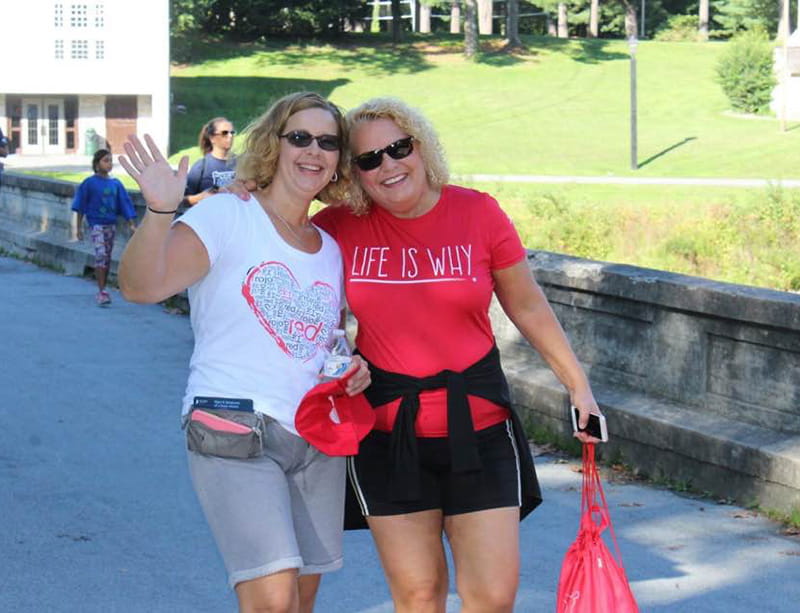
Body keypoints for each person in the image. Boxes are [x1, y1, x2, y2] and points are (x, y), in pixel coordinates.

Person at [311, 98, 605, 613]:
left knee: (492, 597)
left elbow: (528, 306)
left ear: (420, 147)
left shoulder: (477, 212)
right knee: (419, 596)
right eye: (369, 159)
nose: (388, 165)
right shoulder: (339, 226)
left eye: (398, 148)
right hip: (386, 436)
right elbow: (289, 268)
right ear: (353, 173)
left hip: (482, 432)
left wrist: (579, 387)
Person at [116, 92, 371, 613]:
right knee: (272, 598)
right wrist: (161, 209)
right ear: (274, 143)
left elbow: (324, 340)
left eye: (328, 142)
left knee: (299, 600)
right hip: (235, 427)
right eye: (299, 136)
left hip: (315, 438)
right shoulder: (229, 214)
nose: (313, 151)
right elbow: (142, 287)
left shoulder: (329, 247)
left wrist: (350, 368)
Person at [71, 148, 137, 306]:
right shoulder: (89, 183)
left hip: (110, 224)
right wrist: (78, 228)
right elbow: (80, 206)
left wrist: (131, 223)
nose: (109, 164)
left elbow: (124, 204)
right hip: (96, 224)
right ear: (96, 163)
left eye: (110, 161)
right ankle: (101, 291)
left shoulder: (116, 184)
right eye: (105, 161)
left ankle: (103, 287)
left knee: (106, 257)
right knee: (101, 255)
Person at [183, 116, 237, 206]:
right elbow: (182, 200)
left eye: (232, 132)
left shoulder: (243, 163)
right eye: (225, 133)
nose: (230, 136)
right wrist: (201, 197)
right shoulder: (201, 166)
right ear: (212, 138)